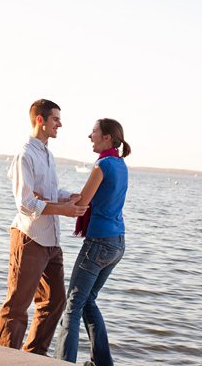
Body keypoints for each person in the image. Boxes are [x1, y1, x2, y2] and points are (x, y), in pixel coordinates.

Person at [0, 99, 89, 355]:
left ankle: (32, 356)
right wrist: (63, 210)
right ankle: (2, 358)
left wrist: (68, 197)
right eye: (56, 119)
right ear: (41, 120)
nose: (60, 124)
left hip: (51, 241)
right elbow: (25, 203)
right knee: (17, 305)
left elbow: (48, 192)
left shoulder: (47, 153)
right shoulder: (25, 154)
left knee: (55, 301)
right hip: (30, 238)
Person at [54, 118, 131, 366]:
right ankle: (103, 362)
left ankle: (63, 362)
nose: (90, 136)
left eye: (94, 132)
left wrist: (43, 203)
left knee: (73, 305)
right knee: (88, 301)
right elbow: (94, 198)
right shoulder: (120, 165)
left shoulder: (103, 165)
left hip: (98, 243)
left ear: (107, 137)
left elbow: (83, 203)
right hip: (117, 243)